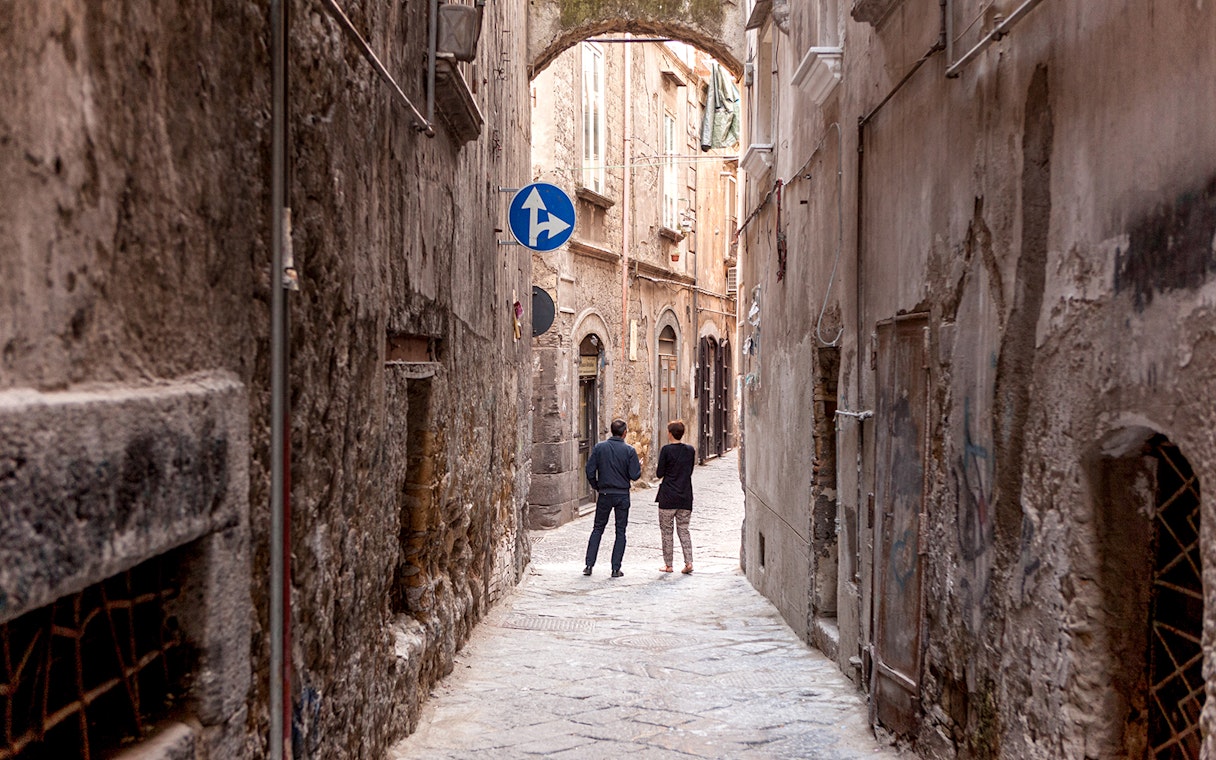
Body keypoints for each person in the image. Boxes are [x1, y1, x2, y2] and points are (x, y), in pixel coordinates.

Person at [583, 418, 642, 578]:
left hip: (605, 494)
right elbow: (634, 475)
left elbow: (589, 470)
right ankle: (616, 568)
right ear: (625, 433)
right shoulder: (630, 451)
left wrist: (597, 486)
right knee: (620, 531)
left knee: (597, 529)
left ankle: (589, 565)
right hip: (622, 494)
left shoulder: (599, 448)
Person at [654, 419, 695, 574]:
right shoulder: (690, 450)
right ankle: (689, 562)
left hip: (668, 497)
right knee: (684, 530)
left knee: (667, 532)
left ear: (670, 433)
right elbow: (689, 471)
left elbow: (659, 474)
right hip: (685, 496)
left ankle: (669, 565)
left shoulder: (666, 450)